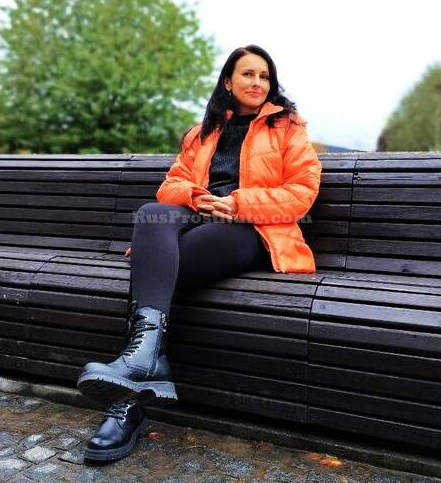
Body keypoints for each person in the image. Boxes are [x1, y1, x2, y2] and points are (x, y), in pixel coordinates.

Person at [77, 44, 322, 461]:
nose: (257, 83)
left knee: (155, 268)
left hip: (253, 227)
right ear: (228, 81)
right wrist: (196, 196)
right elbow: (170, 185)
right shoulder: (202, 132)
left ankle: (127, 403)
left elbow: (302, 193)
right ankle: (146, 361)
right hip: (200, 217)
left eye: (264, 76)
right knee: (151, 214)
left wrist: (238, 203)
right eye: (248, 74)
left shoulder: (288, 127)